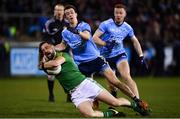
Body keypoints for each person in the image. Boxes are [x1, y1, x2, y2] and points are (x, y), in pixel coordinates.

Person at [57, 4, 149, 110]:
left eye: (71, 12)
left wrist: (141, 56)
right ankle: (104, 105)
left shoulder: (83, 25)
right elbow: (63, 45)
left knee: (117, 80)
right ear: (65, 17)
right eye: (67, 14)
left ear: (76, 14)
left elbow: (87, 37)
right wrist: (51, 48)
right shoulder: (65, 32)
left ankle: (137, 100)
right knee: (92, 89)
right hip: (82, 63)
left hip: (97, 58)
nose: (70, 15)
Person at [39, 42, 150, 117]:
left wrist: (42, 65)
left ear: (52, 46)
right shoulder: (48, 63)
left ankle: (136, 106)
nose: (45, 50)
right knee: (90, 115)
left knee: (115, 102)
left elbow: (55, 63)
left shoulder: (63, 55)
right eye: (43, 50)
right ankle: (112, 113)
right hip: (75, 93)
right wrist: (44, 64)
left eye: (46, 47)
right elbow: (50, 67)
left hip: (85, 84)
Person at [93, 4, 148, 99]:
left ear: (125, 14)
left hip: (119, 55)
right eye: (116, 13)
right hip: (105, 58)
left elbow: (135, 41)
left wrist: (141, 55)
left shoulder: (127, 27)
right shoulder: (106, 24)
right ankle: (114, 98)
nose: (118, 15)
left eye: (120, 13)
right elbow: (94, 38)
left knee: (126, 77)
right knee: (112, 85)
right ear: (114, 14)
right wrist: (106, 44)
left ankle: (139, 103)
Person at [41, 3, 70, 102]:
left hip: (66, 52)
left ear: (64, 12)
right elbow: (45, 38)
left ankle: (69, 95)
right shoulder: (49, 23)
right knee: (51, 75)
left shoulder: (68, 23)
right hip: (53, 52)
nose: (59, 12)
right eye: (57, 10)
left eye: (60, 10)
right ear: (54, 11)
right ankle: (51, 94)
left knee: (68, 74)